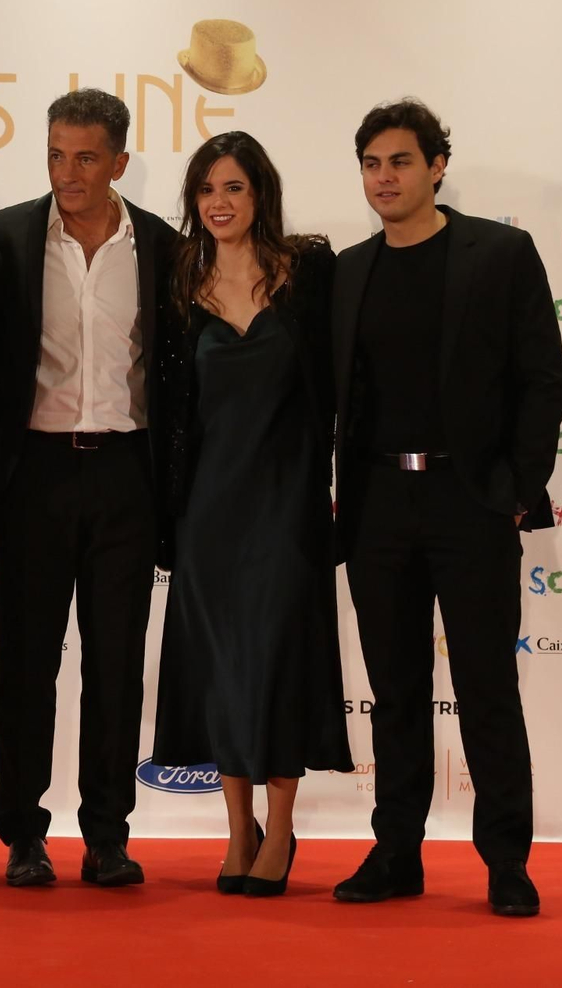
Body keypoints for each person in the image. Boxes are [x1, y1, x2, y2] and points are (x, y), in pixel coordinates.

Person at [330, 99, 562, 917]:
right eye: (370, 163)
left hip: (470, 502)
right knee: (393, 691)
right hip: (376, 505)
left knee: (485, 688)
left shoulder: (499, 254)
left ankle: (507, 861)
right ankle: (396, 852)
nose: (383, 178)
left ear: (436, 166)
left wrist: (514, 490)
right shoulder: (349, 270)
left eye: (399, 161)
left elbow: (544, 378)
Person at [0, 89, 178, 888]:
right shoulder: (6, 237)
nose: (68, 172)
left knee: (118, 663)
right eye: (56, 154)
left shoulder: (161, 246)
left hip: (127, 474)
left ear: (120, 162)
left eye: (86, 157)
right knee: (27, 661)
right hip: (34, 473)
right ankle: (24, 834)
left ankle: (108, 834)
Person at [152, 132, 353, 897]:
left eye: (233, 186)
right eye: (207, 188)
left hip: (287, 504)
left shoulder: (308, 273)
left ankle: (284, 824)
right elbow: (175, 413)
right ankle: (239, 831)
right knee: (222, 670)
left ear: (260, 193)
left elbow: (340, 385)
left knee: (276, 662)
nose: (219, 202)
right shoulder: (181, 287)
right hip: (208, 510)